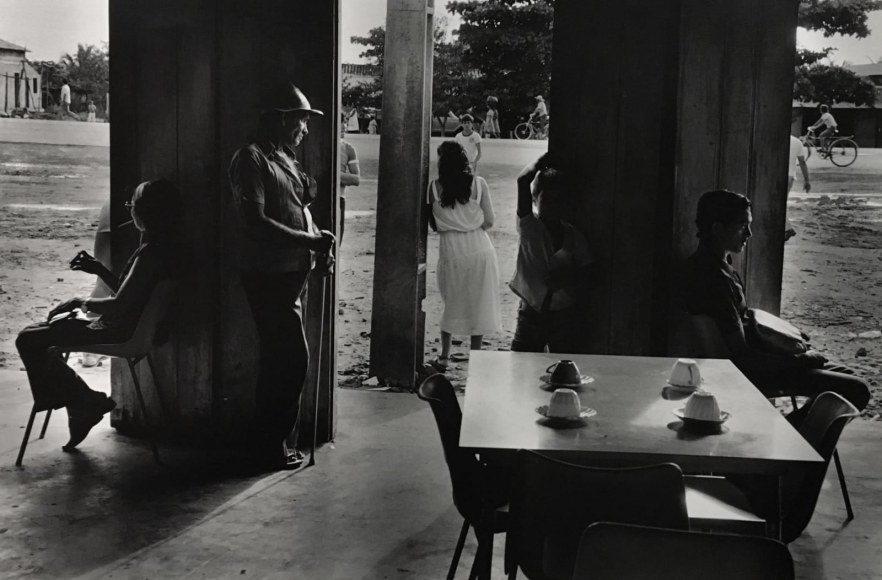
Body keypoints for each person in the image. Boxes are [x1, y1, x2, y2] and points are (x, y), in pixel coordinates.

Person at [16, 179, 182, 451]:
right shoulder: (164, 248)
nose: (130, 211)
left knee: (28, 339)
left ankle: (84, 401)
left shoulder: (151, 254)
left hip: (118, 330)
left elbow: (120, 305)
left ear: (144, 213)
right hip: (127, 326)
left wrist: (80, 301)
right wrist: (100, 271)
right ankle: (82, 401)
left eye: (133, 206)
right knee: (36, 334)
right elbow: (133, 297)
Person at [678, 189, 870, 424]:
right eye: (742, 226)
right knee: (857, 390)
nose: (749, 233)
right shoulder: (714, 280)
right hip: (748, 373)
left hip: (757, 360)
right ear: (717, 228)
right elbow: (740, 359)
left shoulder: (709, 265)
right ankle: (793, 435)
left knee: (845, 376)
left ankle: (803, 430)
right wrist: (802, 361)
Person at [228, 81, 335, 471]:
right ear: (279, 120)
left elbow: (298, 206)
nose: (305, 130)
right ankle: (270, 445)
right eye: (301, 121)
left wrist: (318, 242)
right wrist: (309, 240)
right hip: (268, 275)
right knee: (291, 361)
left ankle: (270, 444)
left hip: (292, 272)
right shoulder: (250, 158)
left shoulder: (285, 156)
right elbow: (255, 222)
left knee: (282, 361)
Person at [426, 141, 501, 371]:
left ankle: (445, 356)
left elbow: (434, 225)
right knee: (479, 301)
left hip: (451, 249)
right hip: (479, 246)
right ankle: (475, 357)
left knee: (451, 299)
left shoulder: (434, 188)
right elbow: (489, 221)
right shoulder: (479, 184)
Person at [509, 153, 593, 353]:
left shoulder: (573, 235)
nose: (554, 204)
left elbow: (591, 272)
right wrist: (544, 159)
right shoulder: (529, 226)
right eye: (548, 197)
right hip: (530, 314)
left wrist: (569, 278)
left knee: (562, 368)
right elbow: (523, 180)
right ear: (535, 199)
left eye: (560, 199)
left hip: (564, 315)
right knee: (522, 367)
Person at [339, 113, 361, 244]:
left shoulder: (348, 148)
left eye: (345, 122)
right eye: (341, 122)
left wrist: (332, 174)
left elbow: (356, 179)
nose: (344, 126)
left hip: (339, 197)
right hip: (317, 198)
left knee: (337, 242)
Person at [785, 134, 811, 241]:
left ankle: (788, 228)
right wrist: (807, 180)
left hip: (778, 175)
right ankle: (786, 227)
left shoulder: (774, 139)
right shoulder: (797, 142)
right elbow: (802, 162)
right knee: (783, 202)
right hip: (790, 177)